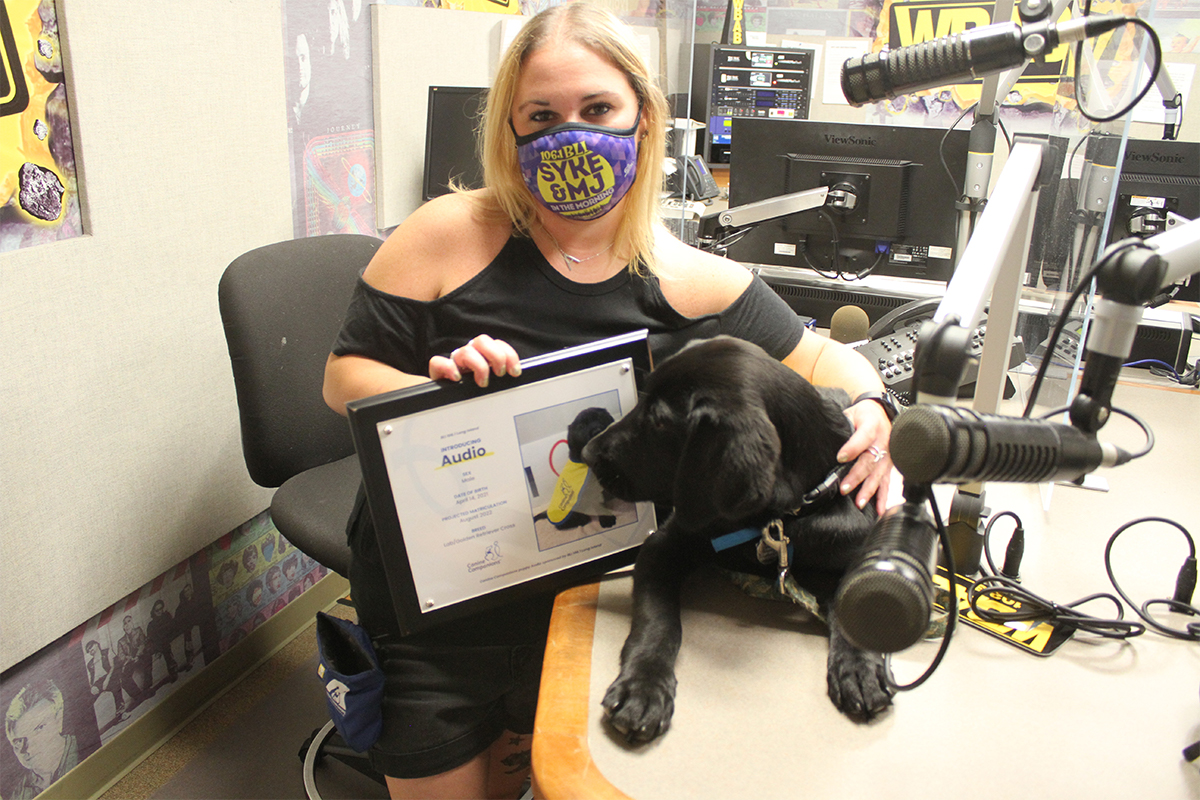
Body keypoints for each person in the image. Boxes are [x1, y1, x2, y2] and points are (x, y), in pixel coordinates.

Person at [322, 4, 894, 797]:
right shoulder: (447, 233)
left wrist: (877, 413)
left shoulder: (695, 280)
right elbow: (342, 377)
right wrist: (442, 390)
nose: (572, 133)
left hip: (588, 596)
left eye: (597, 110)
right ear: (510, 130)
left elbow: (831, 362)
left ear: (643, 118)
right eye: (542, 116)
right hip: (442, 599)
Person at [4, 680, 80, 799]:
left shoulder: (83, 750)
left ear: (58, 720)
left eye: (39, 728)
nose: (28, 748)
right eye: (19, 741)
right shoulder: (19, 793)